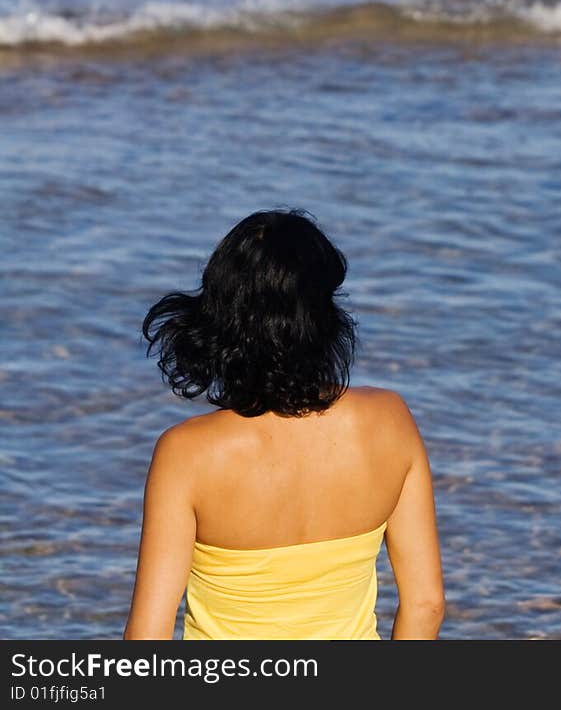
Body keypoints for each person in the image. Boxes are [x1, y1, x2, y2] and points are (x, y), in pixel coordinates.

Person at [124, 209, 444, 640]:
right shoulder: (390, 422)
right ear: (323, 319)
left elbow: (148, 638)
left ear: (223, 322)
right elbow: (426, 605)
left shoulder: (187, 454)